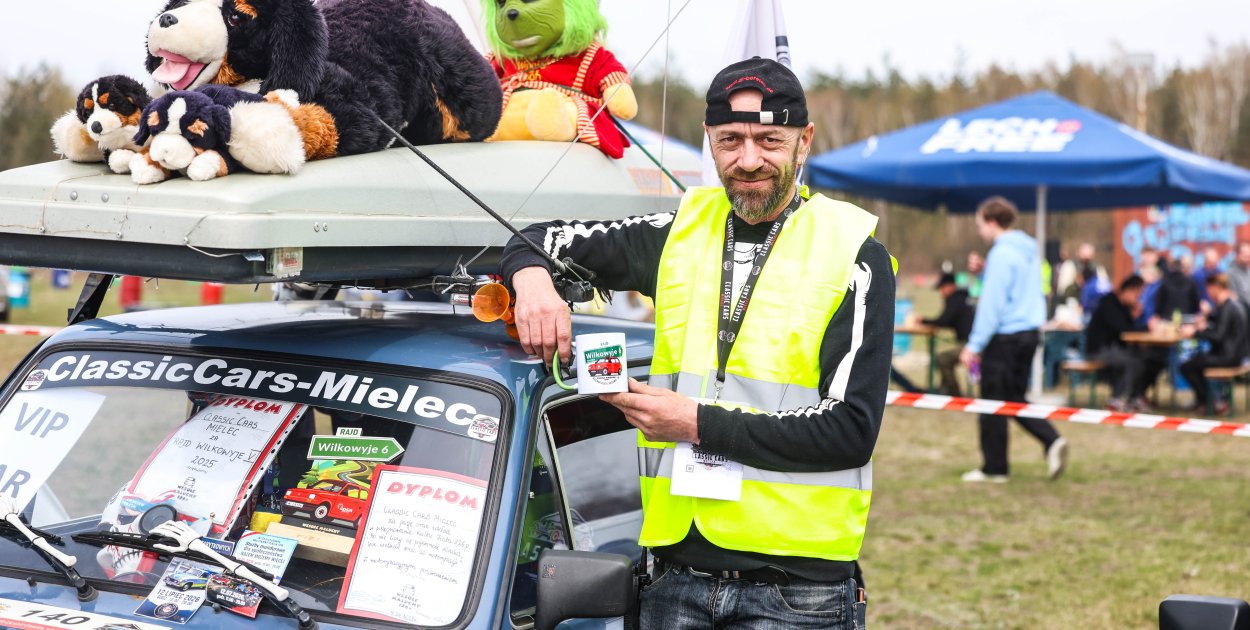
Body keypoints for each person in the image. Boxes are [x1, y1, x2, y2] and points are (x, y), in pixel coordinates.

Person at [500, 57, 891, 628]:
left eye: (769, 140)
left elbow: (851, 431)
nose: (748, 159)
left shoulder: (854, 251)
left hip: (795, 595)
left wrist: (695, 423)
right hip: (675, 580)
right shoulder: (679, 231)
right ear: (709, 139)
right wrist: (532, 282)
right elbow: (536, 239)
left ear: (804, 140)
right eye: (730, 140)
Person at [959, 196, 1068, 483]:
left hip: (1004, 338)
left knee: (992, 404)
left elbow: (992, 304)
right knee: (1013, 398)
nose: (981, 231)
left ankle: (995, 468)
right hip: (1030, 334)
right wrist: (987, 270)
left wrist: (973, 345)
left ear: (992, 222)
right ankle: (1051, 440)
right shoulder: (1029, 252)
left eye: (980, 224)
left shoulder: (1001, 254)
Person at [1179, 273, 1250, 414]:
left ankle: (1207, 402)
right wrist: (1207, 318)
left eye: (1209, 289)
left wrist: (1194, 333)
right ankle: (1208, 400)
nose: (1208, 294)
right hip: (1235, 355)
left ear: (1216, 287)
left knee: (1187, 366)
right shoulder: (1232, 305)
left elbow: (1218, 336)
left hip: (1228, 357)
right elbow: (1221, 328)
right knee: (1195, 363)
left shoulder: (1228, 307)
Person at [1084, 275, 1149, 411]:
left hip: (1113, 349)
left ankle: (1132, 397)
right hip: (1098, 350)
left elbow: (1128, 330)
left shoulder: (1124, 307)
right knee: (1130, 361)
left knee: (1141, 359)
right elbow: (1123, 330)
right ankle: (1117, 400)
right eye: (1137, 295)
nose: (1137, 299)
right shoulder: (1108, 304)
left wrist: (1134, 316)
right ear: (1129, 290)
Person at [922, 272, 975, 396]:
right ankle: (946, 389)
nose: (941, 293)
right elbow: (952, 321)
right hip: (974, 343)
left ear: (950, 286)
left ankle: (955, 394)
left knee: (943, 359)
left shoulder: (955, 299)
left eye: (942, 288)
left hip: (972, 346)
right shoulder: (963, 298)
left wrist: (923, 320)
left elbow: (943, 320)